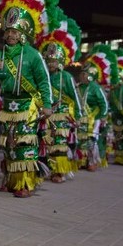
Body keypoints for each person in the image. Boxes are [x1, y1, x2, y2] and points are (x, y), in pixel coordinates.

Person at [0, 0, 57, 198]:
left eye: (14, 32)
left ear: (23, 32)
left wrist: (47, 104)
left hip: (28, 105)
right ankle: (10, 179)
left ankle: (25, 183)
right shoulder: (0, 54)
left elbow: (44, 82)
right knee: (8, 145)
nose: (10, 35)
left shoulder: (33, 55)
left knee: (25, 143)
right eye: (8, 31)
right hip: (8, 106)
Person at [36, 12, 83, 184]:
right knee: (45, 142)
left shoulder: (67, 77)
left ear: (61, 61)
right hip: (46, 114)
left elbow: (76, 98)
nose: (50, 64)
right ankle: (47, 168)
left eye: (53, 61)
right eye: (48, 61)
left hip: (62, 114)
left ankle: (60, 171)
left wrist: (78, 117)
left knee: (59, 143)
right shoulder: (43, 76)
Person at [77, 44, 114, 171]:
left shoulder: (95, 87)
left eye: (84, 74)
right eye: (81, 73)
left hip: (94, 117)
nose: (81, 76)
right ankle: (81, 160)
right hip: (81, 117)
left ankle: (92, 161)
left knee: (91, 139)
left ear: (90, 75)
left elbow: (104, 104)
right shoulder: (78, 87)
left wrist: (102, 116)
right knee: (80, 140)